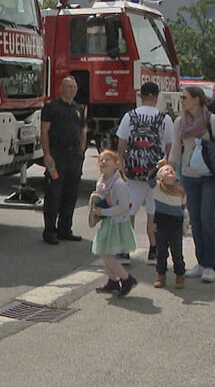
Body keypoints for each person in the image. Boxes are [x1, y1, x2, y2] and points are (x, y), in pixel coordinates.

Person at [167, 85, 215, 283]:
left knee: (207, 219)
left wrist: (209, 154)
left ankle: (210, 264)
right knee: (194, 220)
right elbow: (176, 148)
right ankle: (200, 262)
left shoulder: (212, 120)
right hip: (189, 176)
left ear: (196, 99)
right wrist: (169, 170)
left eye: (184, 97)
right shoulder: (180, 122)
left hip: (210, 176)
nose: (182, 100)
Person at [115, 81, 173, 264]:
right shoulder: (165, 119)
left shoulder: (129, 116)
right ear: (156, 97)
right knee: (153, 212)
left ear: (141, 96)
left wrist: (120, 167)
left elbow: (121, 145)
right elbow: (170, 147)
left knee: (128, 211)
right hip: (156, 174)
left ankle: (125, 250)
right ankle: (153, 251)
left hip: (133, 173)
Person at [40, 76, 87, 245]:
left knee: (71, 194)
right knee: (54, 194)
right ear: (61, 88)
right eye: (69, 87)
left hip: (74, 156)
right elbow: (44, 132)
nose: (72, 90)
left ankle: (65, 229)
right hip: (56, 156)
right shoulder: (51, 107)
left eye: (74, 87)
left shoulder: (78, 108)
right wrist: (47, 154)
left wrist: (81, 151)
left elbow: (83, 130)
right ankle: (50, 231)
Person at [90, 150, 138, 297]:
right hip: (108, 222)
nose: (103, 162)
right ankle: (112, 281)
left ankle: (126, 278)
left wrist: (103, 212)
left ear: (116, 164)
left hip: (117, 223)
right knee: (105, 251)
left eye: (107, 160)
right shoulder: (102, 181)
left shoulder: (118, 184)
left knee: (104, 252)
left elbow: (123, 207)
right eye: (101, 160)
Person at [149, 162, 187, 289]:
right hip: (161, 225)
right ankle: (161, 275)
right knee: (161, 253)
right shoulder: (157, 188)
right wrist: (157, 167)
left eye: (172, 170)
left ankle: (180, 275)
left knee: (177, 253)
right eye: (166, 170)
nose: (170, 171)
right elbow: (149, 179)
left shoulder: (181, 191)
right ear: (159, 178)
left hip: (176, 227)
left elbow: (183, 207)